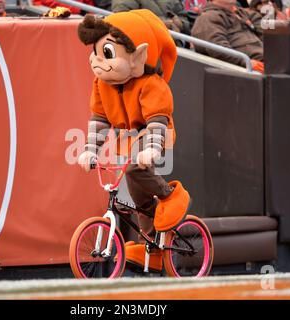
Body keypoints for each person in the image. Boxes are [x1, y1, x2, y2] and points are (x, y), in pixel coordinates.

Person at [76, 9, 191, 272]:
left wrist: (151, 148)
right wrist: (89, 150)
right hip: (128, 137)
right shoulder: (101, 84)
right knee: (139, 197)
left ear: (138, 56)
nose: (96, 61)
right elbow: (99, 119)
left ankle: (172, 195)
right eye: (95, 52)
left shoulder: (151, 83)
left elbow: (157, 120)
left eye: (106, 53)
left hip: (153, 132)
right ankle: (150, 247)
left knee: (135, 167)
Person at [191, 0, 265, 73]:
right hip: (250, 70)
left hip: (268, 62)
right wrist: (245, 62)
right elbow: (217, 49)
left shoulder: (247, 14)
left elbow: (268, 38)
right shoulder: (208, 17)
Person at [111, 0, 191, 36]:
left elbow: (185, 20)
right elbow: (122, 19)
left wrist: (179, 23)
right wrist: (159, 24)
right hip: (143, 44)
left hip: (174, 45)